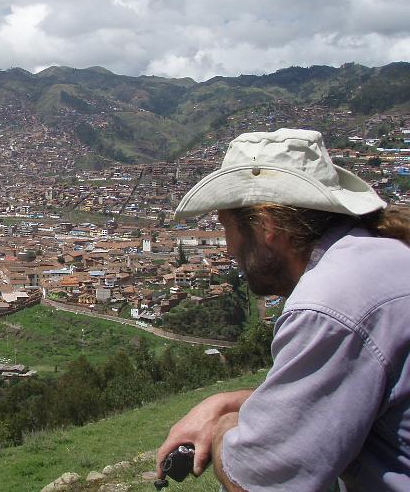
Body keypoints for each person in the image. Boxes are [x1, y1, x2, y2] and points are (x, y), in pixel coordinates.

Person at [156, 128, 410, 492]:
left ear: (266, 227)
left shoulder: (330, 305)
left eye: (227, 230)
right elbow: (335, 402)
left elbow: (258, 480)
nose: (228, 249)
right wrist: (229, 400)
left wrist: (225, 426)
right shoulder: (381, 256)